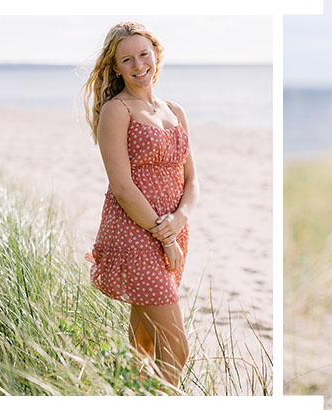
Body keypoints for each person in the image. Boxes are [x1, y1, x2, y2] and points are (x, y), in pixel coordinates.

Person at [82, 21, 198, 388]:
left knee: (144, 342)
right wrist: (164, 237)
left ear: (156, 55)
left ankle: (129, 393)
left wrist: (179, 220)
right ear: (116, 67)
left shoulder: (175, 110)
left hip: (173, 232)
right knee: (177, 347)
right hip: (134, 234)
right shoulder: (116, 111)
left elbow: (192, 180)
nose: (137, 65)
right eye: (127, 59)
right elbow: (122, 188)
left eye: (143, 54)